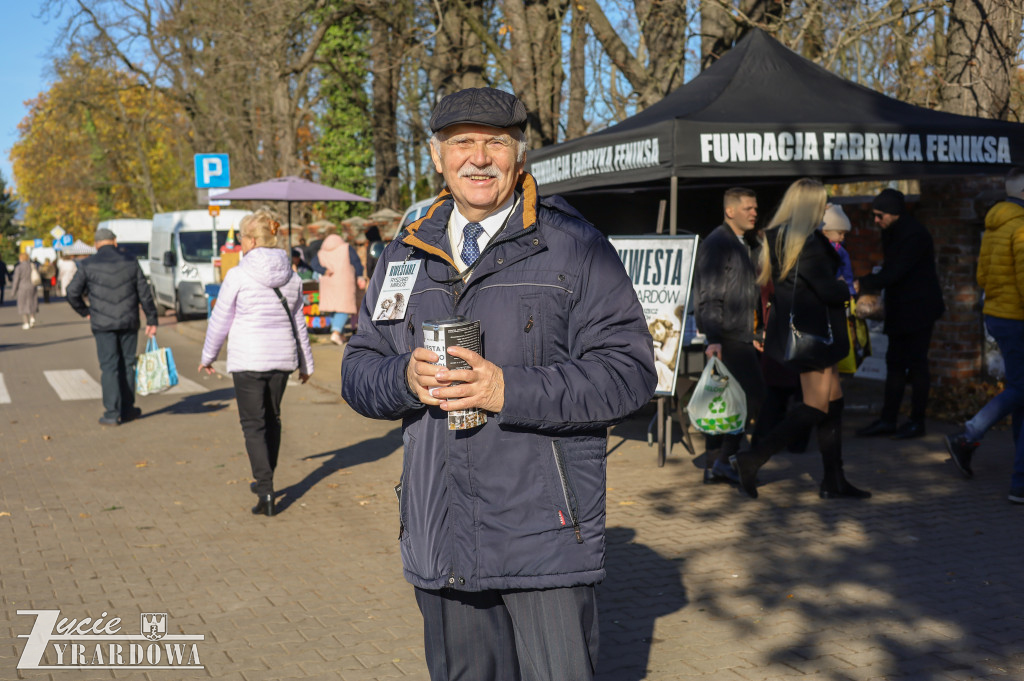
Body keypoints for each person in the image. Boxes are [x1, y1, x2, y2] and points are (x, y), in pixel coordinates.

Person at [341, 87, 656, 681]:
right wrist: (404, 378)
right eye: (462, 142)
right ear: (437, 157)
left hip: (545, 539)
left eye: (495, 143)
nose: (478, 158)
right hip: (443, 536)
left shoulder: (577, 245)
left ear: (520, 155)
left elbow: (630, 374)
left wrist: (506, 390)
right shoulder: (405, 254)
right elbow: (358, 371)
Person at [731, 178, 870, 500]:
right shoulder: (806, 242)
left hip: (808, 330)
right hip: (814, 333)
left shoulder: (780, 236)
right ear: (810, 205)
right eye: (822, 202)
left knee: (833, 404)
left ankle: (834, 481)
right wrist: (845, 288)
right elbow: (826, 288)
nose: (826, 208)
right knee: (817, 406)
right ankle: (752, 458)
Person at [199, 210, 314, 517]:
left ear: (250, 240)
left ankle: (264, 487)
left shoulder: (238, 274)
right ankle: (266, 478)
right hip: (282, 359)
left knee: (253, 424)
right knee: (273, 418)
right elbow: (298, 321)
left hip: (248, 359)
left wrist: (208, 356)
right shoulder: (290, 274)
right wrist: (306, 363)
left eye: (240, 239)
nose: (239, 245)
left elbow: (220, 318)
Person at [946, 167, 1024, 505]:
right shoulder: (1021, 227)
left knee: (1021, 392)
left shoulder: (995, 224)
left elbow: (981, 274)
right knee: (1022, 389)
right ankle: (970, 433)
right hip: (1019, 319)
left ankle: (1019, 477)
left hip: (998, 315)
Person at [854, 188, 945, 439]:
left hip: (918, 309)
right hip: (902, 307)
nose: (876, 220)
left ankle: (916, 421)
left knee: (916, 365)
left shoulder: (914, 235)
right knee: (894, 364)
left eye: (879, 215)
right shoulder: (894, 231)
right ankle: (888, 419)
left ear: (894, 214)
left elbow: (896, 272)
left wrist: (864, 283)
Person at [691, 187, 767, 484]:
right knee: (755, 400)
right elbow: (710, 295)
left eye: (755, 208)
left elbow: (743, 294)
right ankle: (725, 461)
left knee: (729, 403)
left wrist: (754, 332)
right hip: (727, 338)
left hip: (739, 335)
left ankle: (717, 465)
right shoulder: (718, 243)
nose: (754, 213)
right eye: (748, 208)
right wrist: (714, 339)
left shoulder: (740, 243)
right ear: (730, 211)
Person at [66, 227, 158, 426]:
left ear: (96, 244)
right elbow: (145, 293)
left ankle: (111, 413)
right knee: (128, 364)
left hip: (102, 324)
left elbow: (72, 293)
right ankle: (127, 409)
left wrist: (86, 311)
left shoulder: (87, 264)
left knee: (109, 367)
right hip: (128, 322)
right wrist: (152, 320)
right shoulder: (131, 261)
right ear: (115, 242)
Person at [310, 233, 364, 345]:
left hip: (328, 282)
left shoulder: (321, 252)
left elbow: (313, 263)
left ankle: (339, 334)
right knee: (344, 308)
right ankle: (336, 332)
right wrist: (360, 275)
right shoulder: (346, 248)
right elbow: (356, 261)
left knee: (334, 307)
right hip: (344, 282)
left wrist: (323, 270)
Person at [11, 253, 39, 329]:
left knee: (23, 304)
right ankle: (32, 317)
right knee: (32, 302)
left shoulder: (19, 267)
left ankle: (26, 322)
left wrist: (13, 291)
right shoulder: (33, 266)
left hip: (22, 288)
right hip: (32, 286)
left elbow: (16, 280)